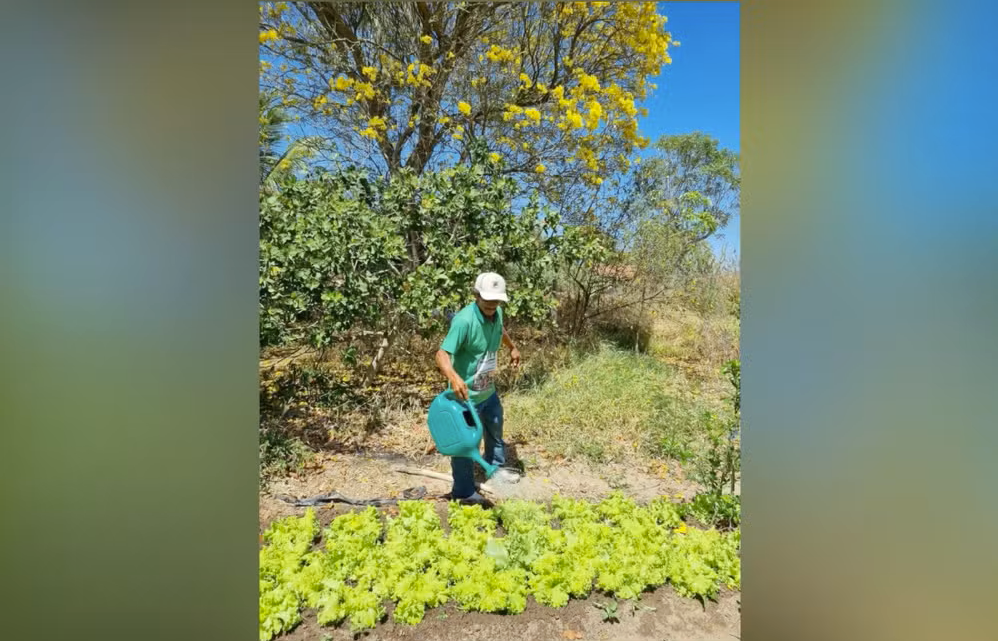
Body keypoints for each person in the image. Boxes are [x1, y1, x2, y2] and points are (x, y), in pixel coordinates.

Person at [434, 272, 522, 503]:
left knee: (494, 427)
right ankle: (464, 492)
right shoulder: (463, 321)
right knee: (465, 444)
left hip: (488, 390)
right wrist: (453, 377)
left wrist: (512, 347)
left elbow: (500, 329)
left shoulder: (497, 312)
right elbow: (442, 354)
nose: (493, 305)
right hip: (465, 398)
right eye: (488, 300)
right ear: (476, 295)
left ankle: (494, 468)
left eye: (497, 301)